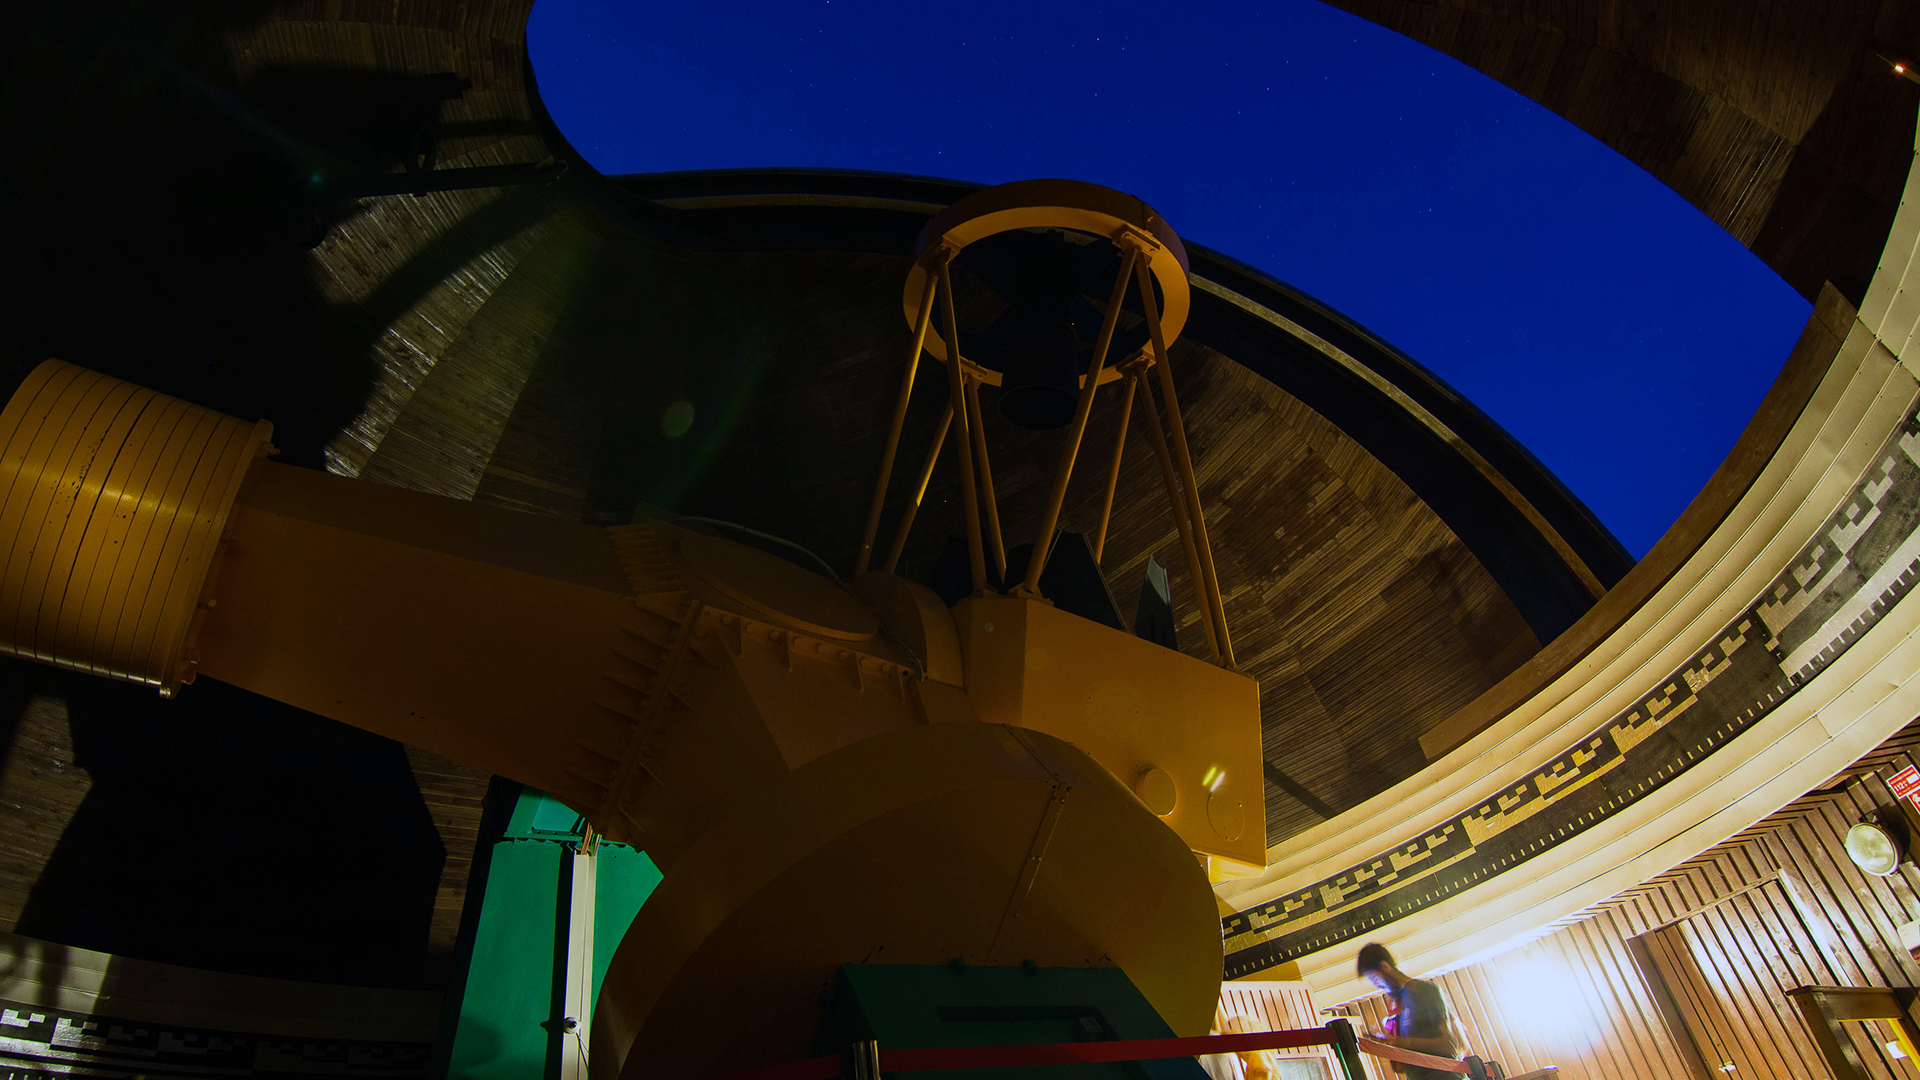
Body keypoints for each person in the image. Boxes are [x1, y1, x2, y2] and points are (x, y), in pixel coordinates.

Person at [1357, 942, 1460, 1079]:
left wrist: (1406, 1043)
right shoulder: (1403, 1001)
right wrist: (1392, 1044)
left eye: (1375, 978)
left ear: (1385, 967)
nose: (1376, 986)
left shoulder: (1423, 991)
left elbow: (1449, 1046)